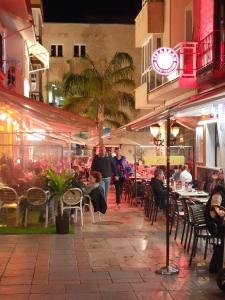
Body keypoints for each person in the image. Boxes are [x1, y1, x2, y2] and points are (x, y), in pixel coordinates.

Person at [205, 184, 225, 273]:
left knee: (220, 246)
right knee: (219, 245)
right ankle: (216, 267)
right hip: (214, 225)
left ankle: (217, 266)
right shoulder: (218, 194)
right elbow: (213, 213)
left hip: (217, 223)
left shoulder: (220, 193)